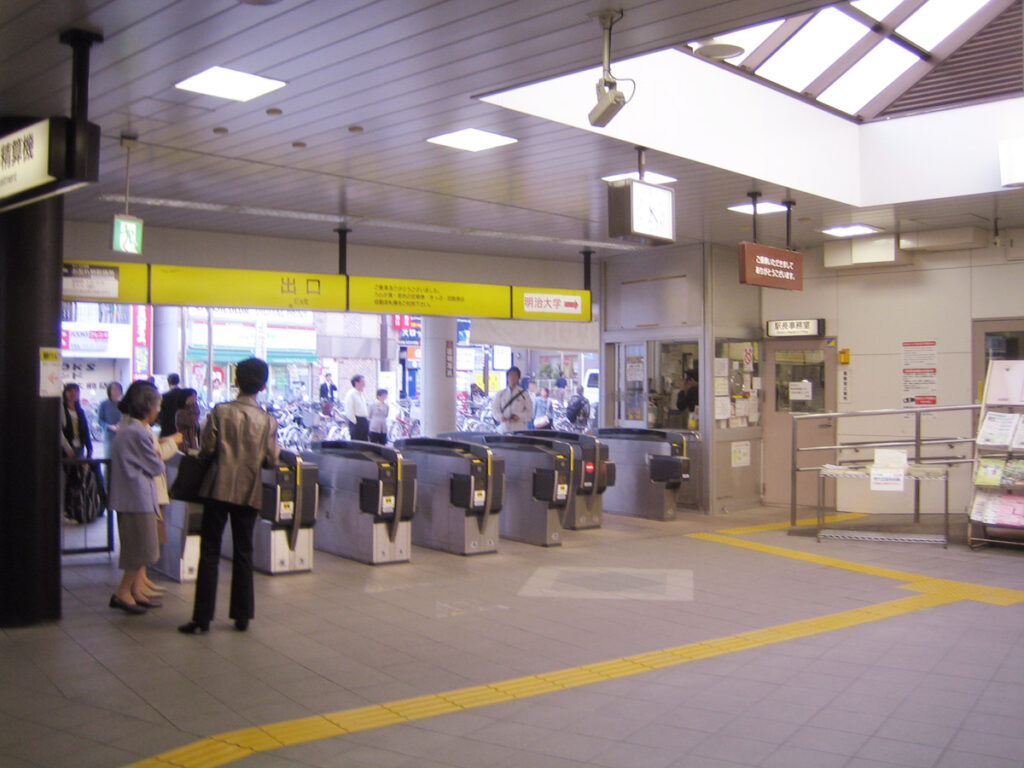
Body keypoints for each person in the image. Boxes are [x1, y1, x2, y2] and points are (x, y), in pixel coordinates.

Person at [179, 358, 280, 634]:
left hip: (217, 487)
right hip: (249, 492)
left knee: (209, 550)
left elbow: (207, 450)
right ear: (263, 385)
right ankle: (242, 616)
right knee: (243, 551)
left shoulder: (220, 412)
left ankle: (202, 618)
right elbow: (272, 460)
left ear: (236, 381)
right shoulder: (268, 420)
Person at [108, 381, 180, 614]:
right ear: (146, 406)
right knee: (140, 549)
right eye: (156, 406)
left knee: (139, 547)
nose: (158, 411)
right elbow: (155, 465)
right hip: (136, 498)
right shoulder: (137, 432)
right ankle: (122, 592)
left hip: (134, 497)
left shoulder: (129, 428)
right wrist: (166, 448)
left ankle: (133, 591)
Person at [492, 366, 532, 433]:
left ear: (518, 378)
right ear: (507, 378)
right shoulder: (500, 394)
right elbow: (495, 411)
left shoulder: (524, 394)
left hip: (520, 429)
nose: (512, 378)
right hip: (504, 430)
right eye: (510, 375)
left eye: (514, 375)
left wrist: (519, 417)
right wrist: (501, 417)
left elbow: (530, 413)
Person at [61, 382, 93, 460]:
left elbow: (85, 429)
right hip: (66, 447)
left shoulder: (80, 411)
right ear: (65, 393)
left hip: (80, 446)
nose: (73, 394)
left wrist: (89, 447)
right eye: (70, 391)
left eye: (76, 391)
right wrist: (67, 447)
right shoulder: (61, 410)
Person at [97, 381, 123, 459]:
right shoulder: (104, 404)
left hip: (122, 436)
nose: (116, 391)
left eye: (118, 389)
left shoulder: (123, 404)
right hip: (109, 436)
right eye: (114, 389)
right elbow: (100, 421)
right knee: (109, 459)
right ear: (109, 391)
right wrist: (110, 426)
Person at [344, 374, 370, 441]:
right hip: (357, 421)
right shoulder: (351, 394)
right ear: (356, 382)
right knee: (357, 443)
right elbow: (349, 409)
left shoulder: (360, 394)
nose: (364, 383)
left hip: (364, 421)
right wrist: (355, 422)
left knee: (365, 442)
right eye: (362, 381)